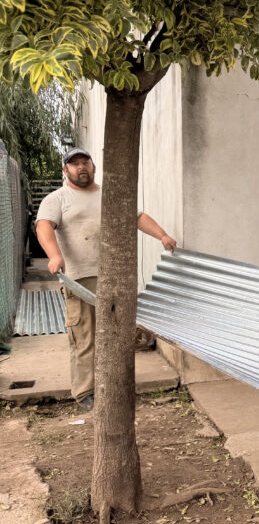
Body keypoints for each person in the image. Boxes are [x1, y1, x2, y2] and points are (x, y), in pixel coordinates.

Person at [36, 148, 177, 412]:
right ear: (65, 170)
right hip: (79, 280)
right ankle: (84, 392)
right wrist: (54, 255)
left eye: (85, 162)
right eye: (74, 164)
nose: (81, 167)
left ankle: (113, 386)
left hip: (113, 277)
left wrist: (162, 235)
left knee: (116, 335)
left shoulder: (108, 195)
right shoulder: (57, 199)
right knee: (84, 336)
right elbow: (44, 226)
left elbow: (137, 216)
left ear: (93, 166)